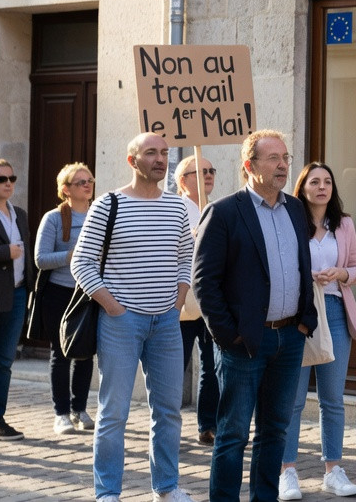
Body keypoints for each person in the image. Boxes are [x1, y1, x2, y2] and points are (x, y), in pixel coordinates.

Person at [69, 134, 196, 502]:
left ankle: (166, 488)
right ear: (132, 160)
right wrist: (113, 306)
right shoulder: (108, 204)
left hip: (167, 322)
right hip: (121, 323)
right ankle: (107, 492)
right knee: (114, 412)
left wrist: (178, 301)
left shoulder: (176, 207)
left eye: (164, 153)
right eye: (151, 152)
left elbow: (185, 258)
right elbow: (81, 262)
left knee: (169, 412)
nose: (160, 159)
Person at [194, 129, 318, 502]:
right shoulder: (224, 212)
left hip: (290, 336)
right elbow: (204, 283)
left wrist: (304, 320)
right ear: (250, 166)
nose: (283, 166)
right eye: (273, 159)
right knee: (233, 434)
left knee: (275, 430)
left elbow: (303, 265)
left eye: (285, 158)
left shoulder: (295, 208)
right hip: (244, 342)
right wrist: (228, 335)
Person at [279, 163, 356, 500]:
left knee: (333, 398)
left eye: (327, 181)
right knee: (293, 399)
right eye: (314, 182)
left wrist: (341, 274)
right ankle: (287, 471)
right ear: (302, 187)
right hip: (298, 311)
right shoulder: (289, 220)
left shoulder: (344, 224)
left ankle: (333, 470)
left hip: (335, 309)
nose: (322, 187)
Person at [31, 162, 97, 435]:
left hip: (90, 293)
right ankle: (61, 414)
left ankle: (79, 409)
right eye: (81, 182)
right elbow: (40, 259)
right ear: (66, 189)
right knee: (60, 354)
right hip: (59, 294)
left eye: (90, 180)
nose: (87, 185)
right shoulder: (54, 219)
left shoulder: (99, 214)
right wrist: (72, 256)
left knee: (86, 352)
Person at [174, 153, 220, 446]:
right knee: (173, 367)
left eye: (211, 170)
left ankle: (208, 425)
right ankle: (167, 425)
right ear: (182, 181)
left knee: (212, 367)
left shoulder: (216, 209)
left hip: (210, 302)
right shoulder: (173, 209)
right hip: (179, 303)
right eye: (201, 171)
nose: (208, 175)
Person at [0, 158, 34, 441]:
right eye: (1, 179)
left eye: (11, 179)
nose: (8, 184)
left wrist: (30, 288)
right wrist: (4, 252)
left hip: (16, 294)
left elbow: (26, 254)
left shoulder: (19, 213)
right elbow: (11, 251)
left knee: (4, 361)